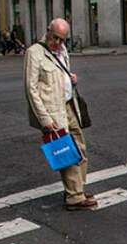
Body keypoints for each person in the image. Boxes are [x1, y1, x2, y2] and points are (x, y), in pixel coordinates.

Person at [24, 19, 96, 211]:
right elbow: (31, 90)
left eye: (62, 40)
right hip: (53, 110)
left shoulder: (62, 51)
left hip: (69, 105)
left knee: (80, 148)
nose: (57, 42)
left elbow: (58, 76)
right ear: (48, 31)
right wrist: (44, 119)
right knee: (66, 151)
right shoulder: (34, 53)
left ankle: (77, 189)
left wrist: (71, 78)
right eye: (55, 37)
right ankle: (74, 197)